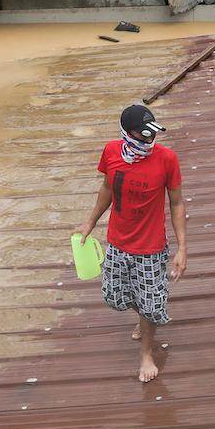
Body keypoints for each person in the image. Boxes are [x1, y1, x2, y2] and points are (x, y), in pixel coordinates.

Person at [77, 104, 187, 383]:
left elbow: (176, 203)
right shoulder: (111, 152)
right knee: (115, 298)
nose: (149, 142)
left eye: (153, 136)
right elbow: (106, 188)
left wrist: (182, 248)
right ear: (127, 134)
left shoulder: (167, 159)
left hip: (150, 247)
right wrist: (90, 222)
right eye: (143, 136)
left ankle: (146, 353)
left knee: (150, 305)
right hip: (117, 241)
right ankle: (146, 316)